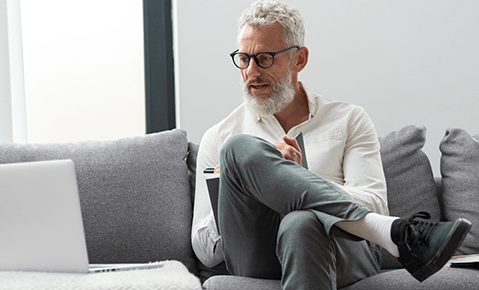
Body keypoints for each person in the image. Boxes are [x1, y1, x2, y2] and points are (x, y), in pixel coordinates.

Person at [191, 1, 472, 289]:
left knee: (300, 223)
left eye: (264, 58)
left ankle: (390, 230)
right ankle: (397, 234)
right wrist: (236, 185)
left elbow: (375, 204)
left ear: (299, 59)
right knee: (238, 148)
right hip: (258, 257)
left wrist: (297, 180)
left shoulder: (349, 119)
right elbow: (205, 251)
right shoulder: (220, 135)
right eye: (243, 58)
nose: (251, 72)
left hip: (342, 252)